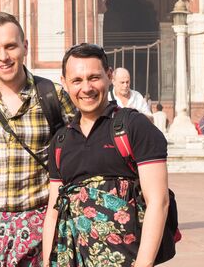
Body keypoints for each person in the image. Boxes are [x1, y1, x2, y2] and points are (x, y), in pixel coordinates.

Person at [0, 12, 75, 267]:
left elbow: (81, 153)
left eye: (10, 46)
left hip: (39, 224)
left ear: (24, 46)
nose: (3, 56)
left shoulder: (52, 95)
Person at [41, 44, 170, 267]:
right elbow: (53, 213)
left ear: (109, 76)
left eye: (94, 78)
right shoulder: (61, 141)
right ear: (64, 83)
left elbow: (158, 201)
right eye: (77, 80)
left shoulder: (133, 126)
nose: (86, 88)